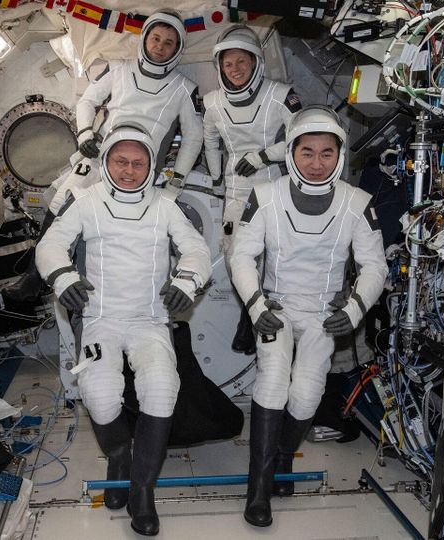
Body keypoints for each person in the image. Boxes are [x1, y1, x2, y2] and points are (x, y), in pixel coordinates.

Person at [35, 124, 212, 537]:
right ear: (107, 161)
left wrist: (187, 281)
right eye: (120, 162)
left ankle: (142, 491)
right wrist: (63, 277)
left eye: (138, 163)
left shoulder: (165, 206)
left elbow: (196, 249)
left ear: (150, 167)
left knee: (162, 388)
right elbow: (50, 245)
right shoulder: (85, 201)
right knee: (99, 395)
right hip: (100, 318)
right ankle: (120, 455)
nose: (129, 171)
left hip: (149, 319)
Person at [228, 106, 388, 527]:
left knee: (305, 395)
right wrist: (256, 304)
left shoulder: (357, 203)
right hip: (275, 308)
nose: (317, 163)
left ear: (339, 155)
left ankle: (282, 457)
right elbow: (241, 256)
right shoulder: (265, 195)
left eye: (326, 153)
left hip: (324, 314)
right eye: (307, 152)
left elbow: (375, 266)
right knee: (273, 383)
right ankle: (258, 487)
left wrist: (354, 308)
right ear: (291, 154)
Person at [202, 24, 302, 355]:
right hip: (236, 191)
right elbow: (210, 139)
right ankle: (251, 312)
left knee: (273, 254)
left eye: (241, 62)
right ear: (220, 67)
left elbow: (301, 138)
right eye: (228, 64)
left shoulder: (280, 95)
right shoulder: (213, 102)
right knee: (235, 254)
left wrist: (263, 156)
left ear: (256, 61)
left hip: (272, 186)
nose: (235, 70)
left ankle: (266, 321)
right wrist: (216, 177)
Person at [69, 8, 203, 197]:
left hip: (140, 170)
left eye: (168, 43)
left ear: (177, 48)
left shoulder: (185, 88)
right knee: (62, 203)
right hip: (98, 157)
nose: (160, 47)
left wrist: (177, 181)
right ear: (145, 38)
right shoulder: (117, 68)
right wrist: (85, 136)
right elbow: (87, 101)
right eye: (156, 38)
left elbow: (193, 137)